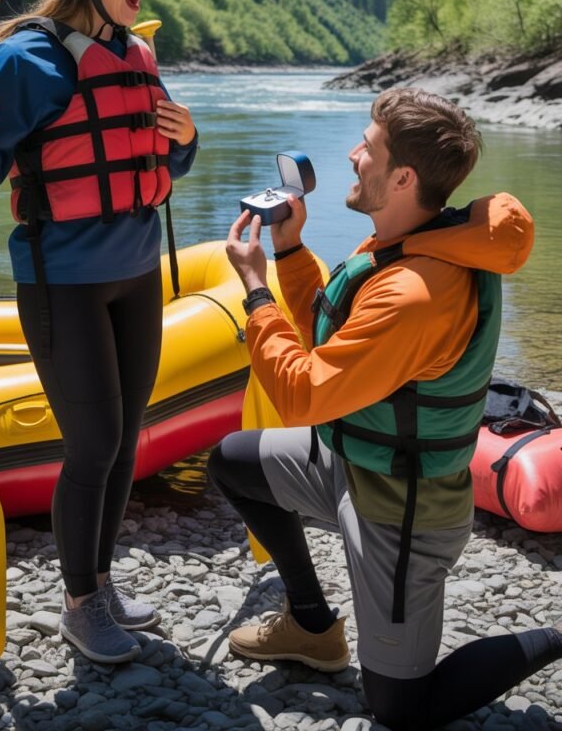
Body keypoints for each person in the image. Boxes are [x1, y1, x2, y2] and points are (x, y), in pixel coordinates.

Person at [209, 89, 562, 730]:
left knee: (402, 709)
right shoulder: (406, 241)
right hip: (354, 459)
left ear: (401, 176)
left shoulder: (416, 291)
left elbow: (300, 394)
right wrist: (290, 254)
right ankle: (312, 627)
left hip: (401, 512)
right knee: (236, 460)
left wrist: (256, 289)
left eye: (365, 147)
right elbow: (331, 338)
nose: (350, 155)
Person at [0, 0, 198, 665]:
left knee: (123, 443)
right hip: (64, 282)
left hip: (137, 271)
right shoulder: (26, 60)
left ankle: (101, 581)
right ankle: (80, 606)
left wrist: (184, 141)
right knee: (92, 444)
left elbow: (159, 160)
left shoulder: (138, 52)